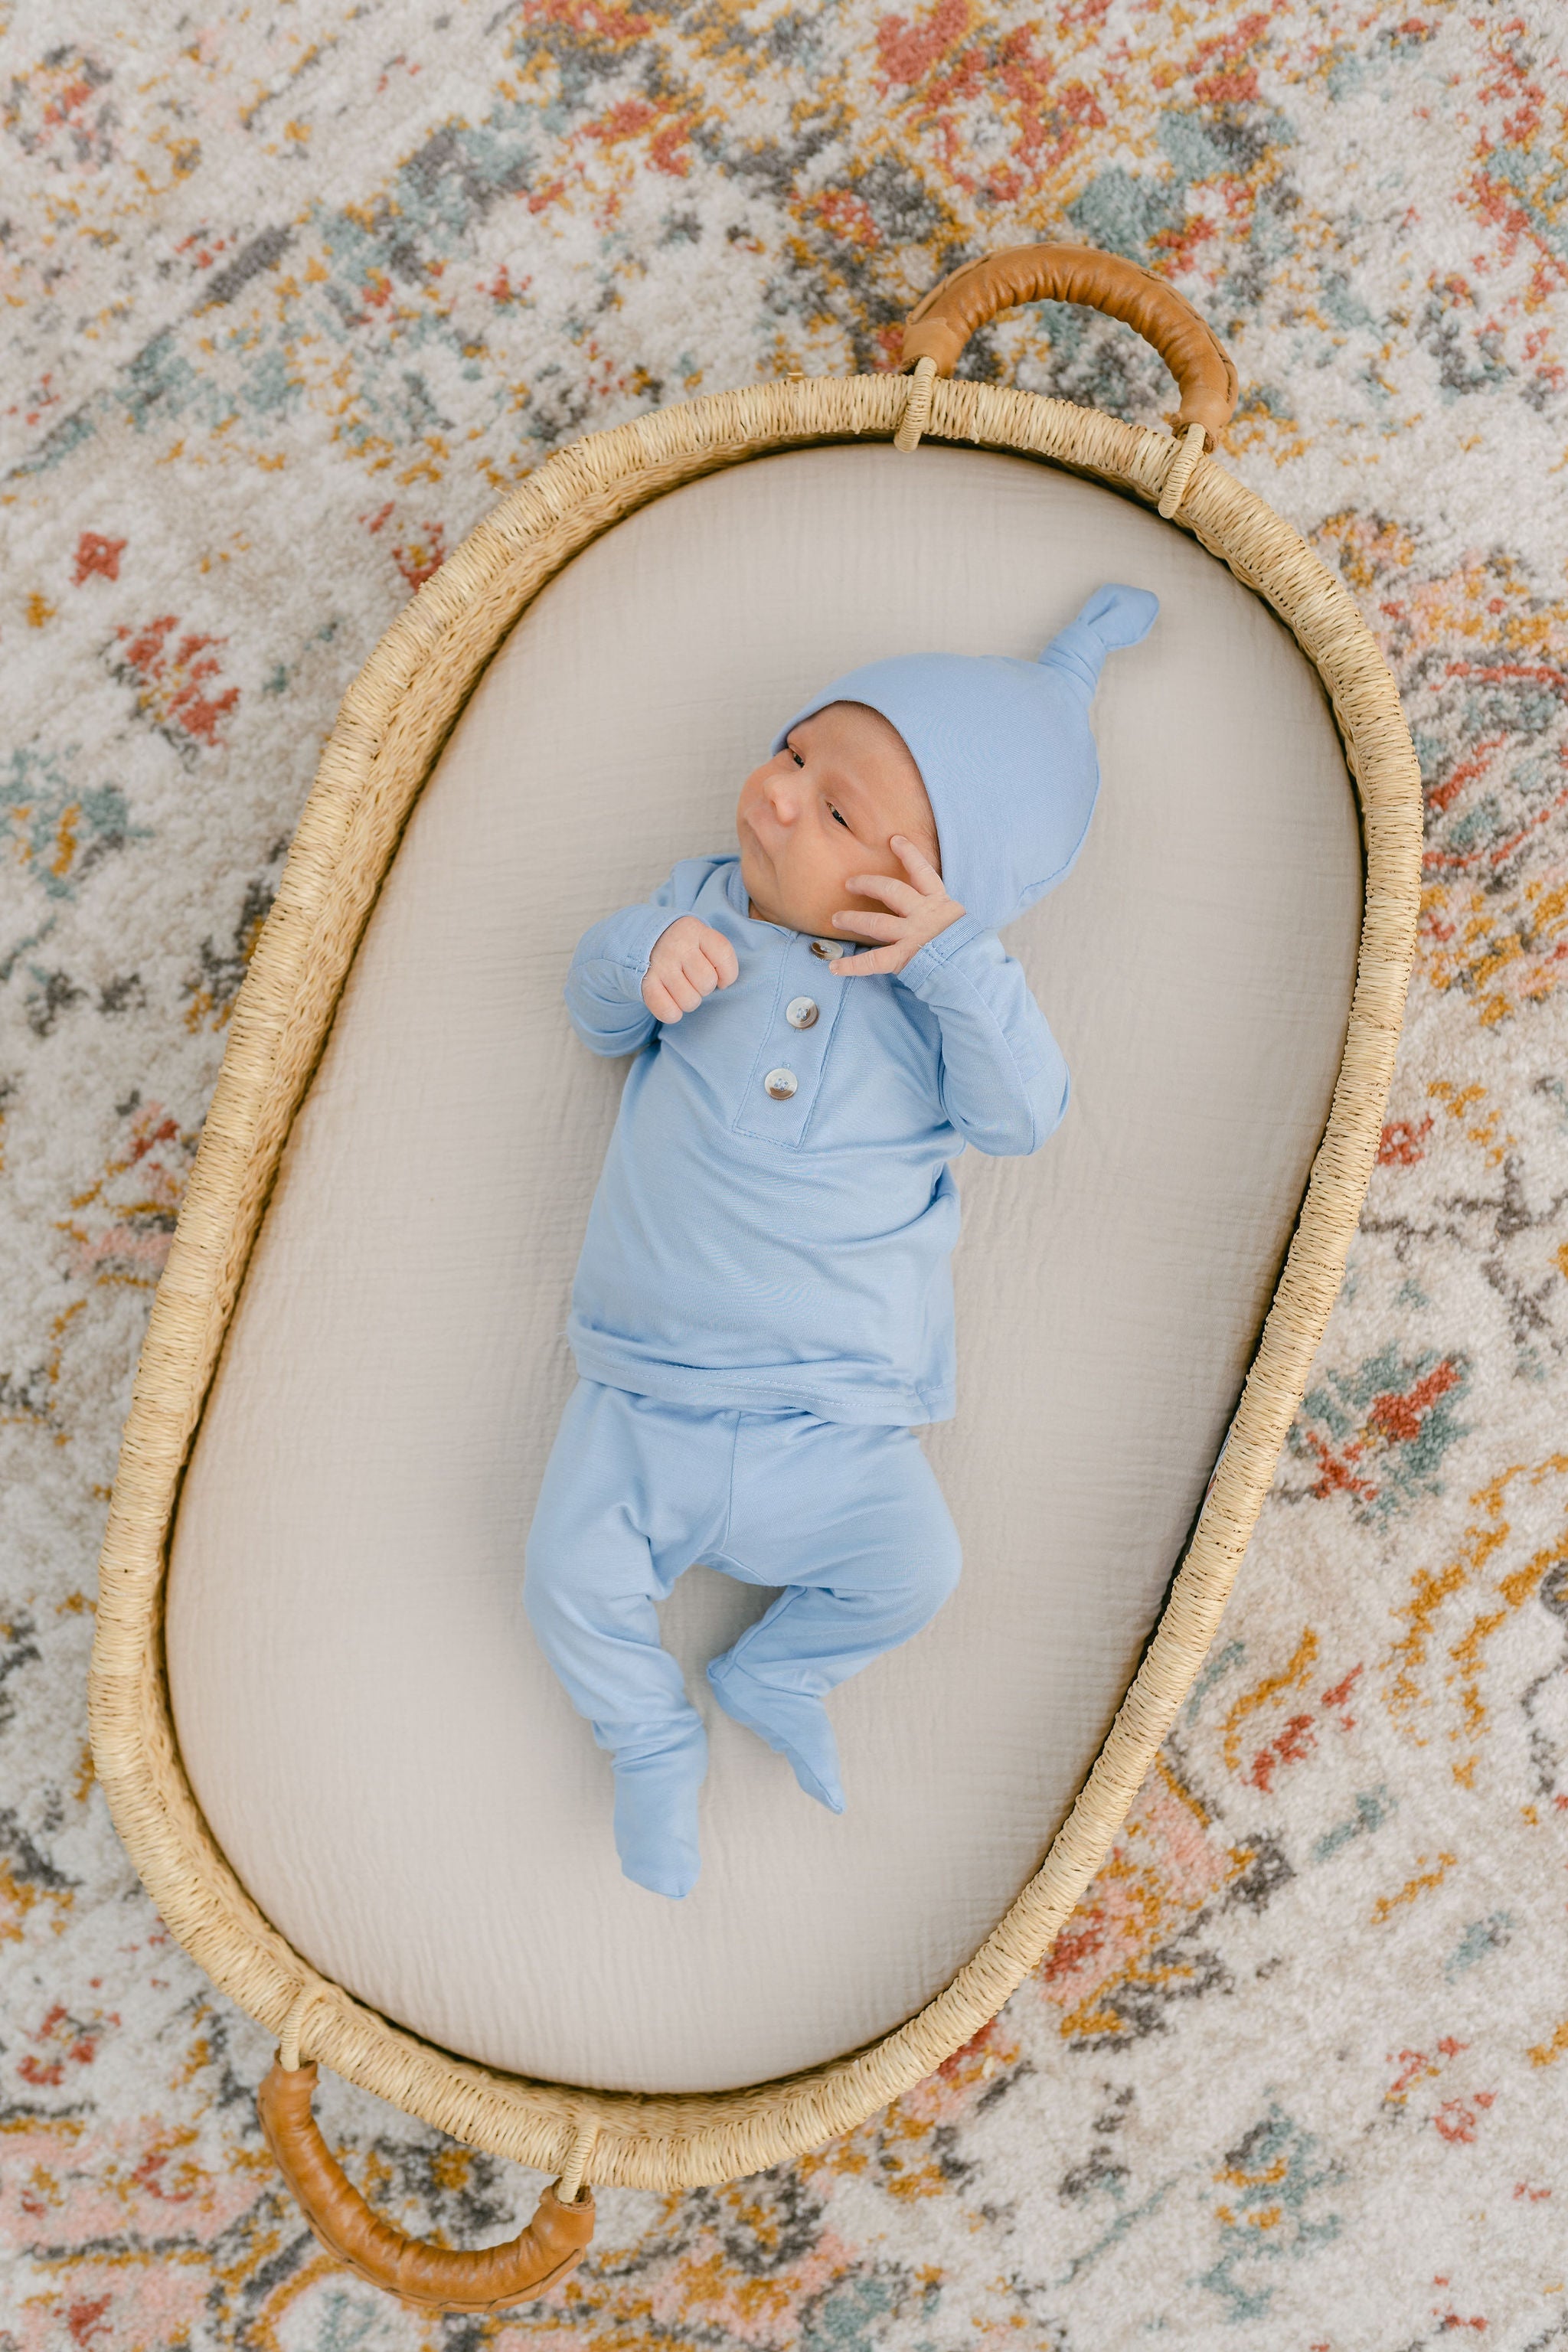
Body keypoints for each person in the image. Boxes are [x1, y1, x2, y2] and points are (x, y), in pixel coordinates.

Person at [524, 584, 1158, 1896]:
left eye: (835, 812)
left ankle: (778, 1670)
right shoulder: (702, 907)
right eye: (795, 751)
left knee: (917, 1571)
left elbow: (1023, 1119)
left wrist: (956, 964)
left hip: (838, 1420)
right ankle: (648, 1739)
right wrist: (642, 955)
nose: (776, 794)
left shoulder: (942, 1010)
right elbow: (597, 1017)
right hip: (648, 1390)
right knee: (565, 1579)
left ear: (935, 890)